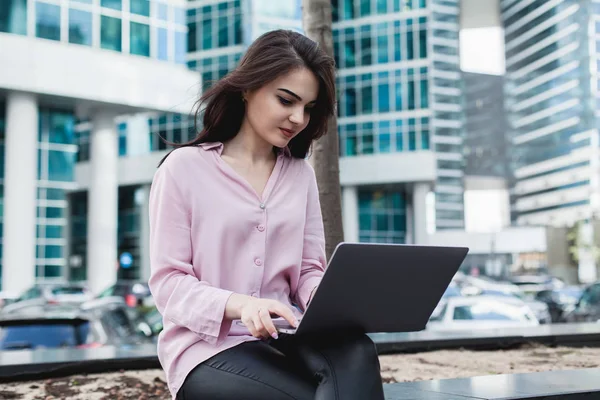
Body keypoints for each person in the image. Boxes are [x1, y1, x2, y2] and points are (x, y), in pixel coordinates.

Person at [148, 30, 385, 400]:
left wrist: (331, 298)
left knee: (358, 350)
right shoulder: (182, 169)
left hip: (288, 337)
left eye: (308, 107)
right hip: (208, 349)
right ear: (248, 87)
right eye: (286, 100)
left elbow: (307, 269)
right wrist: (241, 305)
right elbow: (169, 283)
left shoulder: (300, 173)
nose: (297, 118)